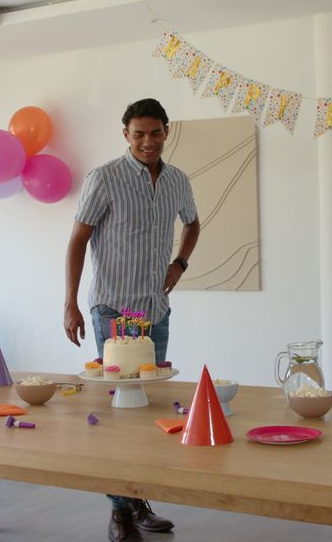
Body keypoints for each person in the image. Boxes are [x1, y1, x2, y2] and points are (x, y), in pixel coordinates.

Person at [64, 98, 200, 542]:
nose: (147, 141)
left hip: (154, 310)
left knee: (147, 409)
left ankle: (138, 500)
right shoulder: (104, 178)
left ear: (167, 131)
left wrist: (179, 264)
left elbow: (193, 223)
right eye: (138, 133)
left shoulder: (178, 179)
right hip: (112, 309)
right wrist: (70, 303)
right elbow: (77, 240)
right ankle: (119, 511)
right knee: (119, 410)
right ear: (126, 134)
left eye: (155, 132)